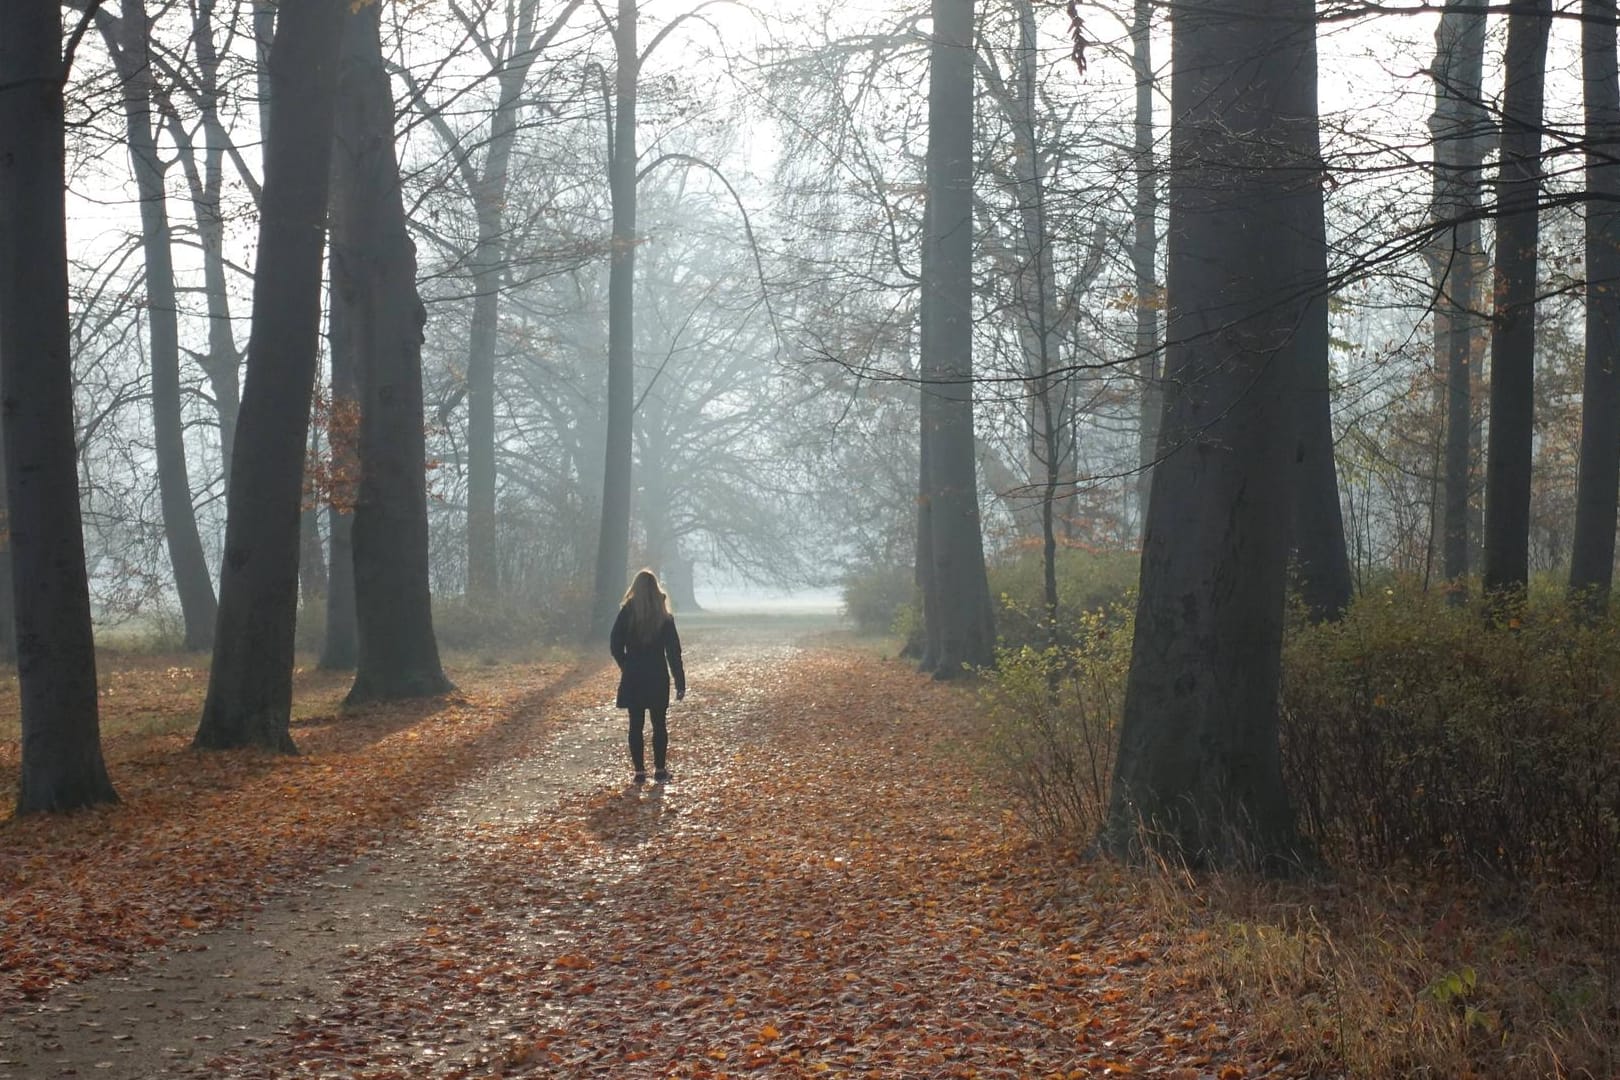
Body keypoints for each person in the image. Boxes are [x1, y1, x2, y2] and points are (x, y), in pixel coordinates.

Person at [610, 569, 686, 783]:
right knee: (659, 723)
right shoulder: (664, 616)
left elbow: (615, 644)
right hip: (657, 674)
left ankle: (639, 772)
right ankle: (660, 770)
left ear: (635, 588)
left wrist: (626, 665)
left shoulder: (627, 613)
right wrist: (680, 681)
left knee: (635, 724)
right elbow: (673, 652)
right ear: (655, 589)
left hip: (634, 673)